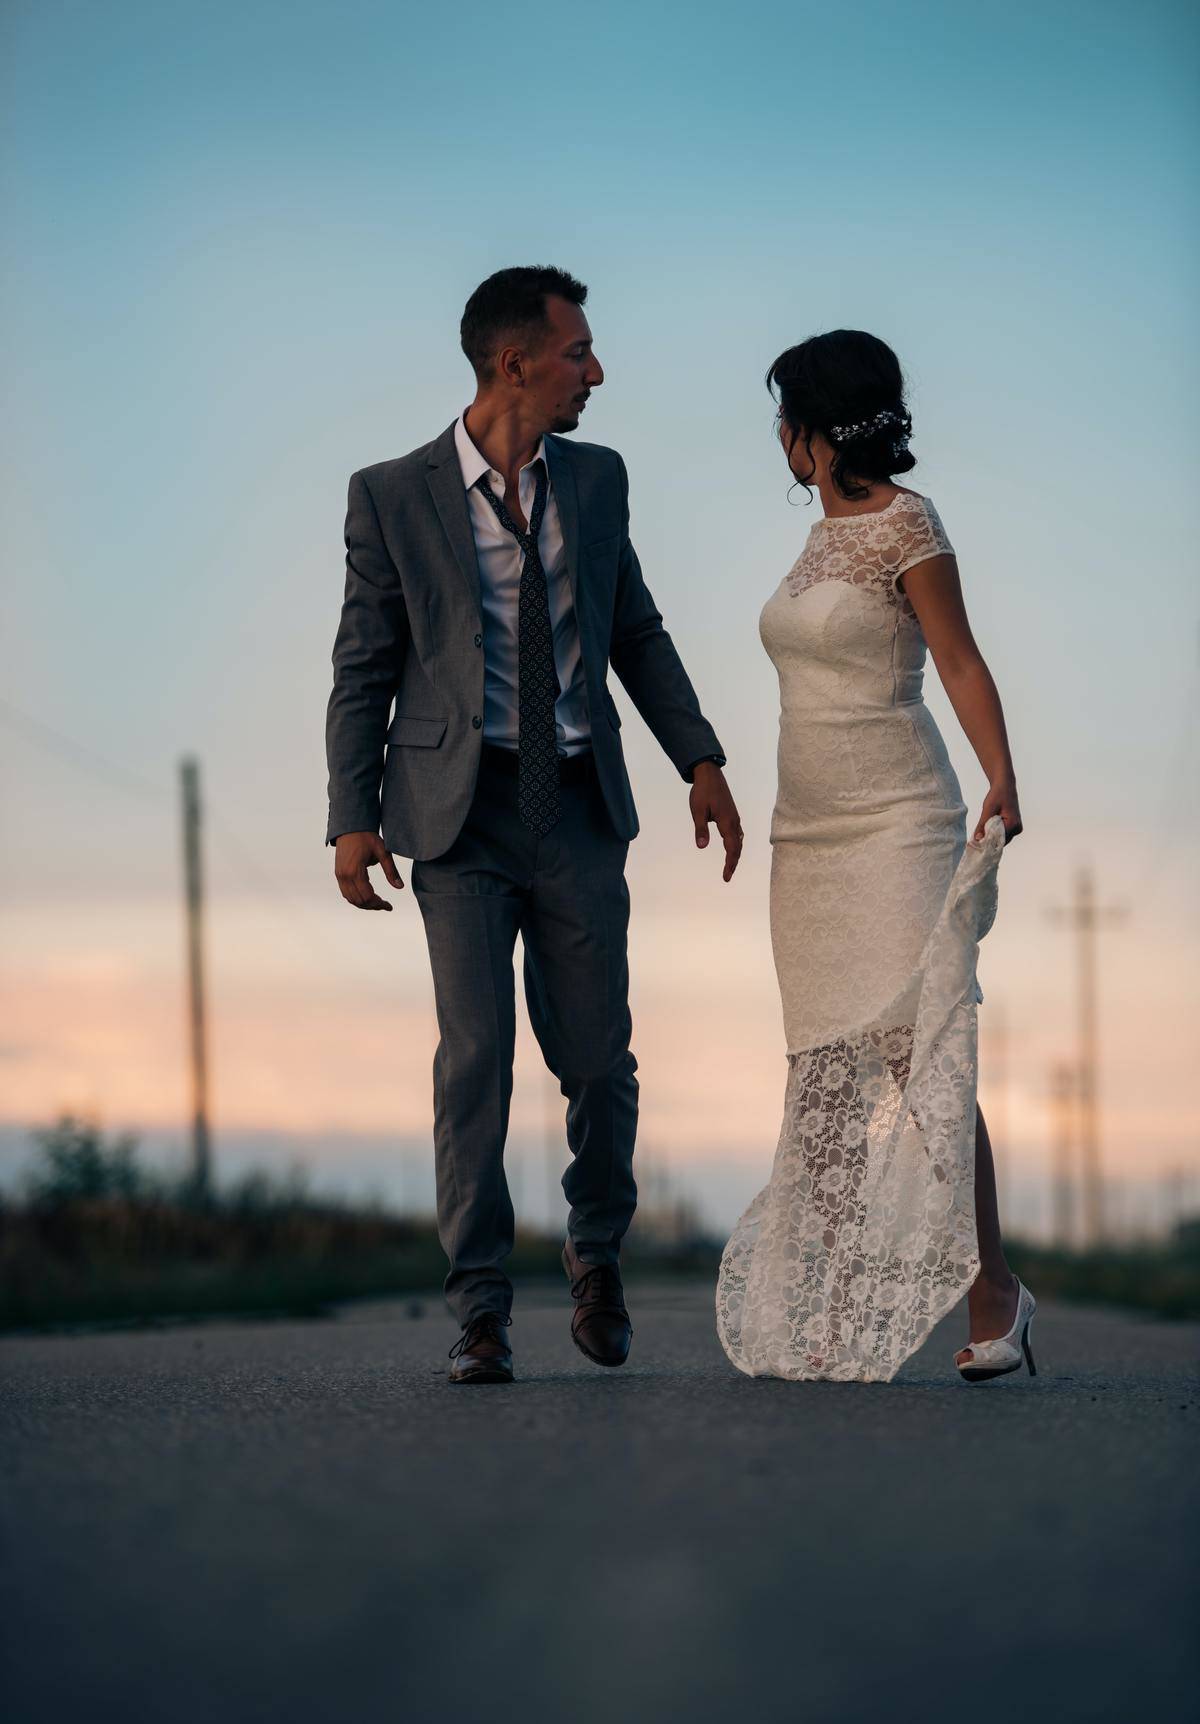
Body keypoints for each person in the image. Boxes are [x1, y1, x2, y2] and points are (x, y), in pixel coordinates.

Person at [325, 266, 742, 1385]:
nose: (595, 372)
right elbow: (363, 664)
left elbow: (636, 631)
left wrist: (699, 756)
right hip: (455, 818)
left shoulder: (597, 482)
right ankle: (478, 1308)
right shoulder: (390, 494)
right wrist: (349, 817)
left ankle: (595, 1249)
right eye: (578, 353)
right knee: (476, 1063)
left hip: (576, 806)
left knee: (599, 1060)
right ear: (514, 362)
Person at [715, 330, 1036, 1385]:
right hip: (806, 837)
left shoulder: (909, 522)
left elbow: (957, 655)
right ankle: (839, 1300)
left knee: (918, 1050)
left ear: (816, 428)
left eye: (785, 418)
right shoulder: (811, 545)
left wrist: (1002, 772)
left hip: (898, 818)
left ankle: (995, 1291)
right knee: (823, 1070)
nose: (778, 439)